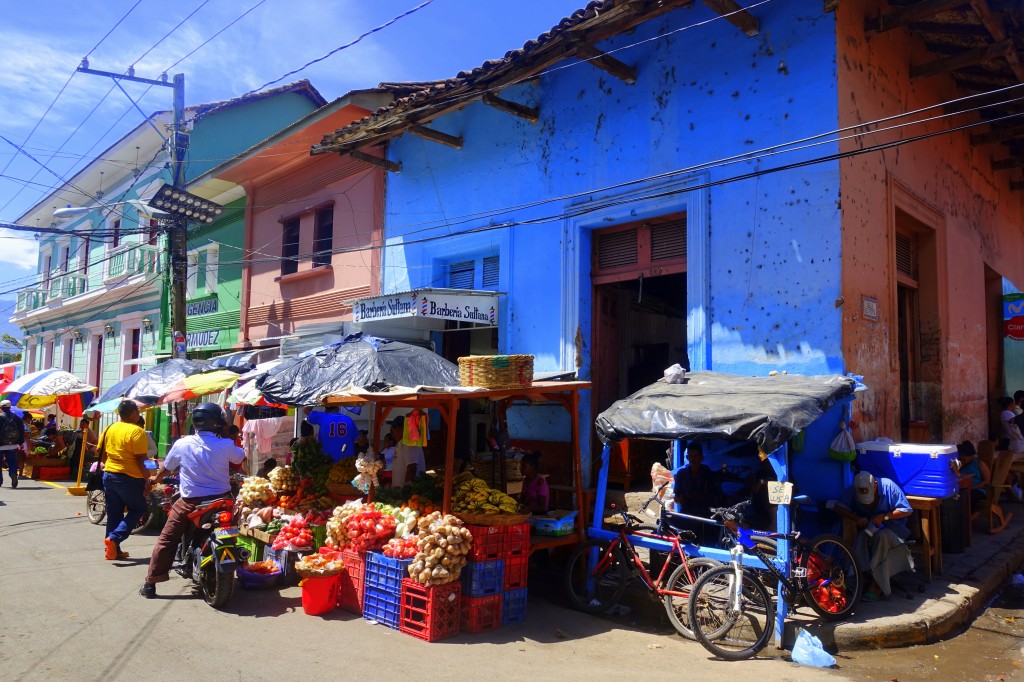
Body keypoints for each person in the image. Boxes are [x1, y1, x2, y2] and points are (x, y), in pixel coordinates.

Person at [140, 402, 244, 598]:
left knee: (167, 539)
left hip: (191, 503)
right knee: (233, 528)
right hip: (222, 501)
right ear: (219, 423)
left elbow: (168, 467)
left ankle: (150, 583)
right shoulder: (226, 444)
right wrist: (230, 439)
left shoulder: (182, 444)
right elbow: (239, 458)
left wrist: (156, 478)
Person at [832, 471, 914, 600]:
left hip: (894, 531)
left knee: (882, 537)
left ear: (875, 484)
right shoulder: (853, 489)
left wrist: (885, 516)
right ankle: (858, 578)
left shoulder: (889, 486)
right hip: (870, 530)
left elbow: (906, 510)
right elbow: (837, 507)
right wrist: (857, 518)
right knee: (860, 539)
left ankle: (877, 585)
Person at [97, 401, 152, 561]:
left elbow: (100, 451)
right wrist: (148, 479)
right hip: (130, 478)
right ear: (133, 413)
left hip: (109, 475)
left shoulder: (109, 428)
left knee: (114, 513)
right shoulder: (137, 431)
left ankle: (112, 550)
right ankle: (115, 538)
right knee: (138, 509)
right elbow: (141, 458)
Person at [0, 399, 30, 488]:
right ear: (9, 407)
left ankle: (0, 481)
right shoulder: (16, 417)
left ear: (1, 407)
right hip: (13, 444)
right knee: (12, 461)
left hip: (0, 444)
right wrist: (20, 442)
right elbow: (21, 431)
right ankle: (13, 474)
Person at [390, 415, 425, 487]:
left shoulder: (410, 442)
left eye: (393, 430)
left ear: (402, 428)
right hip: (398, 492)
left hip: (409, 494)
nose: (392, 434)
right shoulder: (402, 442)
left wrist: (406, 489)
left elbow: (412, 467)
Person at [953, 440, 989, 505]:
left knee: (970, 497)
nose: (962, 461)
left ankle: (968, 514)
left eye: (963, 459)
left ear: (970, 455)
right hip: (963, 489)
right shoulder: (960, 466)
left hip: (978, 490)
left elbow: (987, 482)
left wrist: (972, 488)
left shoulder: (980, 464)